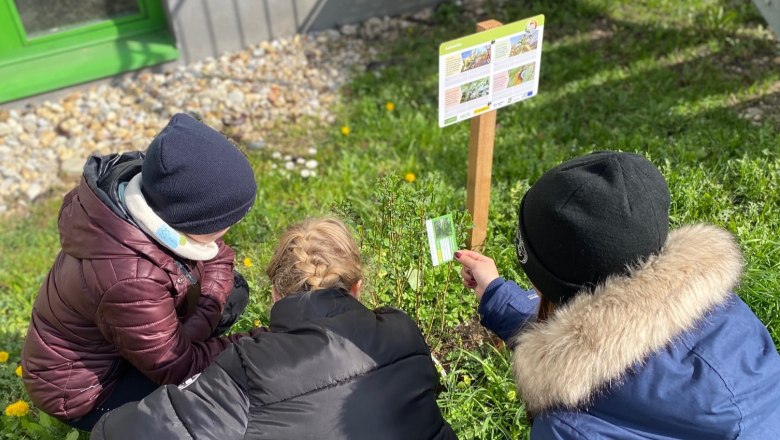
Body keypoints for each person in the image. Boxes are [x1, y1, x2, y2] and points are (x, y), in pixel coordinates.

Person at [455, 151, 780, 439]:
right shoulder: (727, 316)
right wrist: (496, 292)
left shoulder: (569, 429)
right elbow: (605, 330)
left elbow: (590, 336)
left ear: (554, 287)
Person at [90, 217, 457, 440]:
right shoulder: (403, 332)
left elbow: (133, 433)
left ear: (275, 294)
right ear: (357, 287)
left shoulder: (252, 368)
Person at [22, 113, 261, 431]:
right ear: (190, 221)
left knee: (232, 293)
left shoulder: (158, 205)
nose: (230, 227)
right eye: (225, 221)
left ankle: (166, 344)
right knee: (205, 407)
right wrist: (262, 346)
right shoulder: (130, 280)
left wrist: (198, 320)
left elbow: (218, 256)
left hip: (127, 336)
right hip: (86, 390)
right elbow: (177, 367)